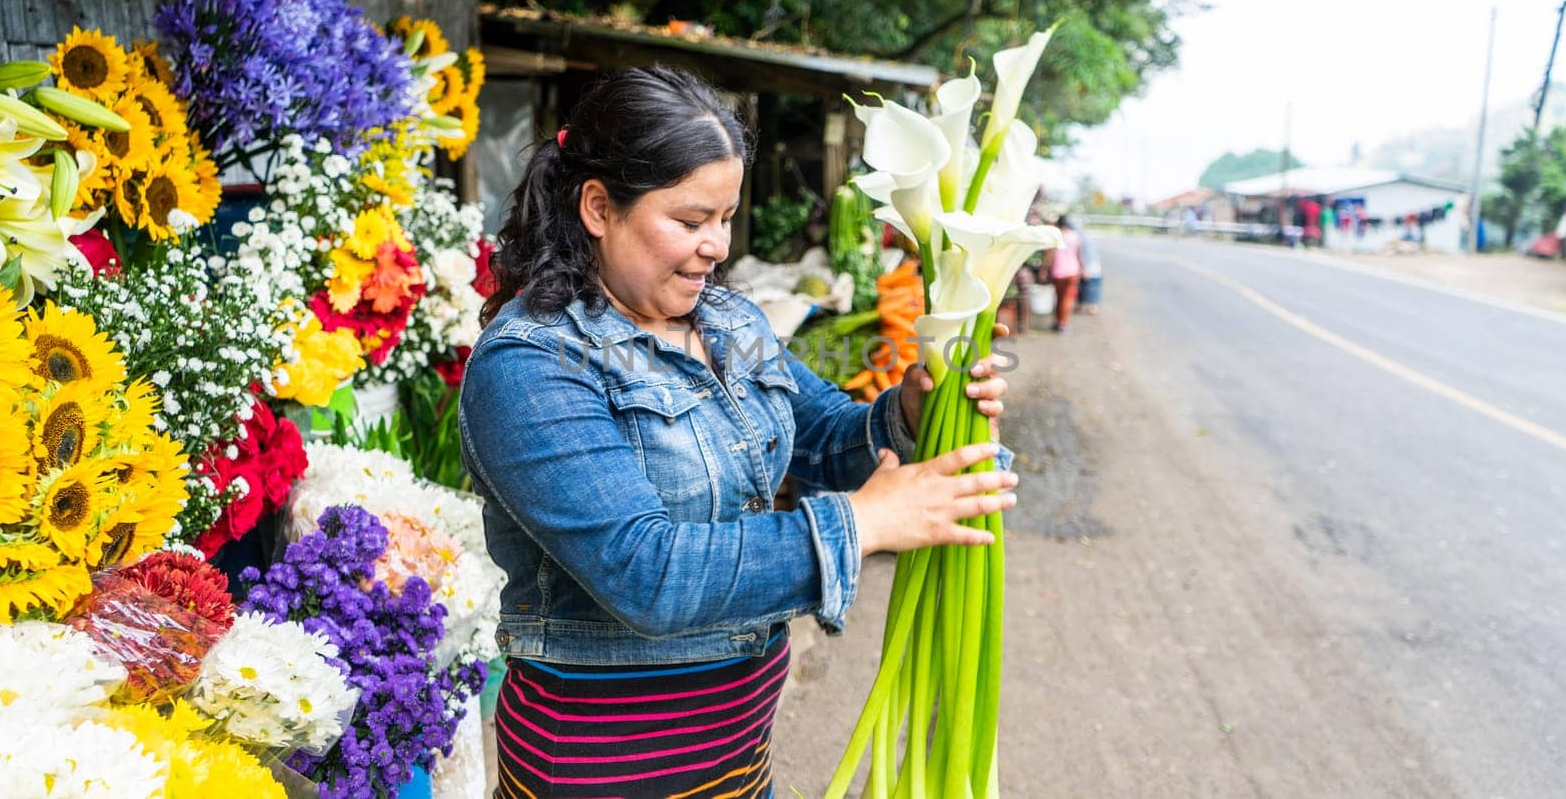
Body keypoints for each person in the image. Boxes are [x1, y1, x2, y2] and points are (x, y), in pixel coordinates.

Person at [460, 66, 1019, 799]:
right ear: (598, 206)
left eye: (724, 218)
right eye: (690, 222)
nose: (716, 246)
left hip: (739, 762)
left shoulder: (729, 323)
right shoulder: (530, 364)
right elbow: (646, 574)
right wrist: (862, 521)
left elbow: (820, 436)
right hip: (603, 773)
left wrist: (911, 412)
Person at [1042, 215, 1082, 332]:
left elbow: (1049, 255)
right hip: (1073, 271)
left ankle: (1060, 323)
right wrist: (1082, 268)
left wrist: (1044, 270)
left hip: (1058, 272)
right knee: (1066, 299)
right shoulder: (1075, 235)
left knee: (1059, 298)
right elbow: (1079, 254)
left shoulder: (1056, 235)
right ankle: (1062, 323)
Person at [1072, 217, 1102, 315]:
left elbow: (1086, 256)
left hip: (1090, 267)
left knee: (1091, 287)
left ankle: (1092, 307)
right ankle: (1081, 305)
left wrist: (1083, 269)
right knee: (1083, 287)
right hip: (1090, 266)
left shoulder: (1081, 238)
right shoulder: (1085, 236)